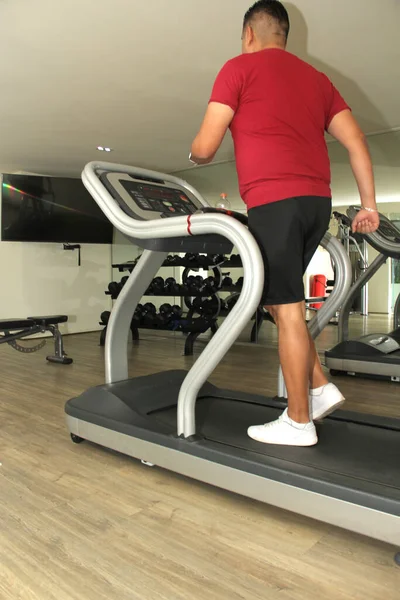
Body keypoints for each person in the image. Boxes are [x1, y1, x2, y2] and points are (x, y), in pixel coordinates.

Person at [189, 0, 380, 447]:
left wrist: (194, 155)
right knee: (278, 301)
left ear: (249, 34)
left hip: (274, 201)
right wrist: (367, 205)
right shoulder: (317, 80)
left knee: (287, 308)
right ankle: (318, 387)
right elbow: (356, 142)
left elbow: (206, 145)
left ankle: (298, 422)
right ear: (285, 34)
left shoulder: (238, 68)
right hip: (316, 203)